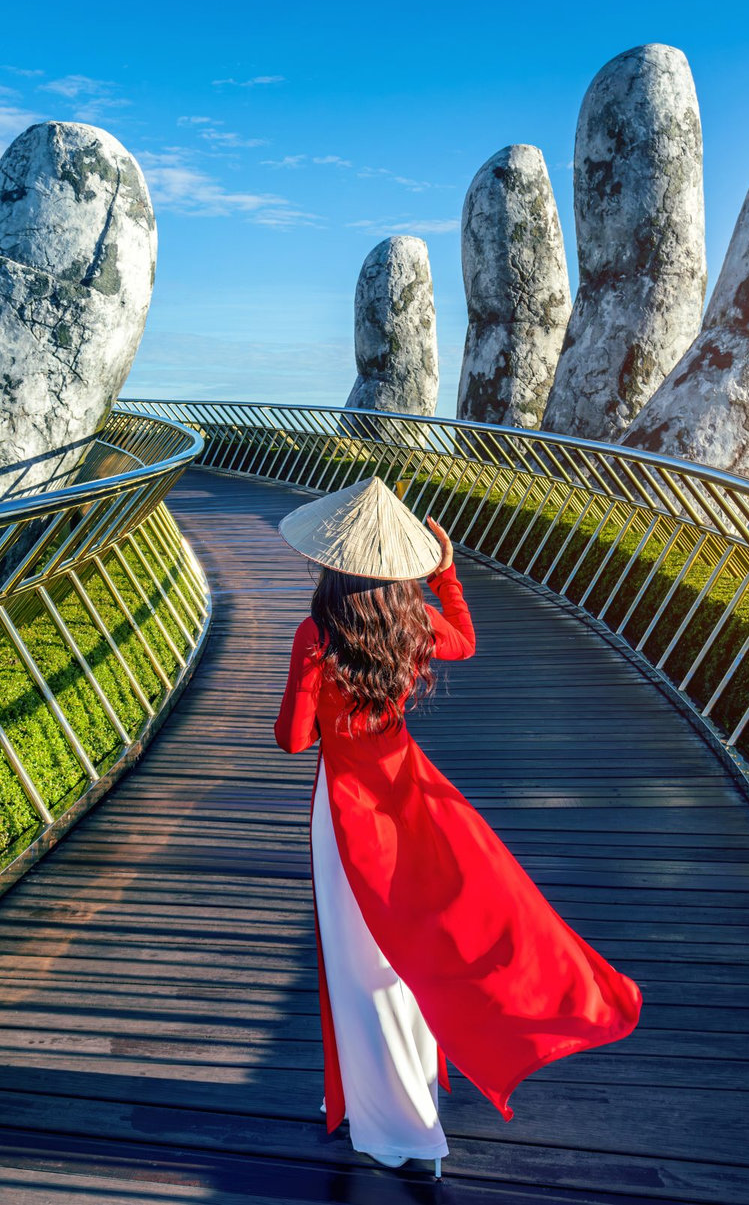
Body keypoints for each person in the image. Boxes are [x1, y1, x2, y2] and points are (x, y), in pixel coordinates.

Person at [273, 477, 643, 1176]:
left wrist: (315, 691)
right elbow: (465, 641)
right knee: (405, 957)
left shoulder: (316, 635)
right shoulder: (410, 621)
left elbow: (293, 740)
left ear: (332, 560)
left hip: (348, 814)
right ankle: (408, 1098)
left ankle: (396, 1127)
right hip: (413, 799)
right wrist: (447, 575)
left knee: (360, 967)